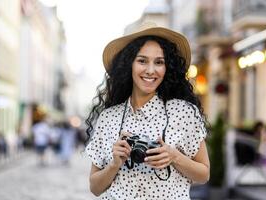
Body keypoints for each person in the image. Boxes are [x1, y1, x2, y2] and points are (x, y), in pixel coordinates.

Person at [85, 22, 210, 200]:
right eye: (142, 61)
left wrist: (174, 156)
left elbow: (204, 174)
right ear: (129, 64)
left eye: (159, 62)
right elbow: (95, 188)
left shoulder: (183, 112)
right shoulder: (108, 117)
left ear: (167, 68)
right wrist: (115, 164)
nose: (151, 70)